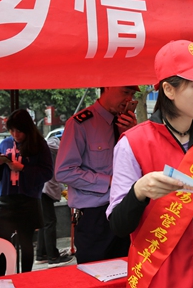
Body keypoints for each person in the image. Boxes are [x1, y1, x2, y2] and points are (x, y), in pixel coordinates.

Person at [106, 39, 193, 288]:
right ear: (169, 90)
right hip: (158, 276)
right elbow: (118, 226)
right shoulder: (133, 143)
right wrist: (139, 192)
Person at [55, 86, 138, 264]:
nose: (129, 99)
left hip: (125, 210)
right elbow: (64, 171)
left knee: (127, 272)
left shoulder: (128, 124)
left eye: (132, 94)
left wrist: (134, 134)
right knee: (94, 274)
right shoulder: (81, 123)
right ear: (107, 87)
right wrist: (109, 181)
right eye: (125, 92)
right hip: (94, 217)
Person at [0, 109, 53, 275]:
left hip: (28, 200)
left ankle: (26, 279)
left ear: (27, 129)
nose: (15, 134)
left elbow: (47, 172)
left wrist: (23, 168)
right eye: (11, 130)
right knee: (1, 245)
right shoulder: (5, 143)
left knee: (26, 245)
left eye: (19, 131)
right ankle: (0, 280)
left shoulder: (39, 145)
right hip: (6, 200)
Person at [35, 133, 75, 268]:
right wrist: (64, 189)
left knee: (44, 222)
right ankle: (53, 257)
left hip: (40, 188)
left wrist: (63, 190)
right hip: (45, 189)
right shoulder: (55, 148)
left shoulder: (51, 148)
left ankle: (42, 254)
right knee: (49, 223)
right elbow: (58, 174)